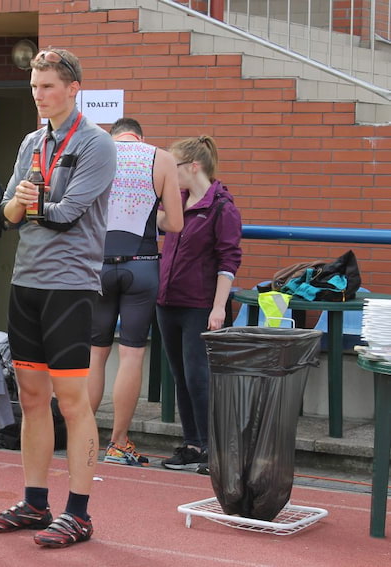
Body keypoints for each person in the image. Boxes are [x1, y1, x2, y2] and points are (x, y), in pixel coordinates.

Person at [0, 48, 116, 548]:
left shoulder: (98, 144)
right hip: (28, 281)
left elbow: (64, 214)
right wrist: (29, 203)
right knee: (31, 397)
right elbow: (8, 214)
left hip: (72, 285)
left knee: (72, 401)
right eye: (35, 87)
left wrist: (31, 202)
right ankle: (35, 503)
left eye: (48, 87)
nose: (39, 96)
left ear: (73, 88)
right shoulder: (32, 140)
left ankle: (78, 513)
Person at [87, 118, 183, 466]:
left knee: (95, 354)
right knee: (131, 355)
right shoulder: (160, 158)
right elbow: (175, 223)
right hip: (141, 262)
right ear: (140, 136)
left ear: (114, 135)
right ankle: (118, 443)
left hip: (97, 263)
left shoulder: (97, 152)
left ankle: (83, 438)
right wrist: (150, 216)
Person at [156, 135, 242, 472]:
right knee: (179, 375)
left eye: (173, 167)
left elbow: (228, 261)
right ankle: (192, 442)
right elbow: (161, 222)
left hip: (199, 304)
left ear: (194, 167)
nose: (169, 174)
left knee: (198, 377)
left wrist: (218, 307)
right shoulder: (176, 201)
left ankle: (213, 448)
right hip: (168, 301)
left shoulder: (222, 207)